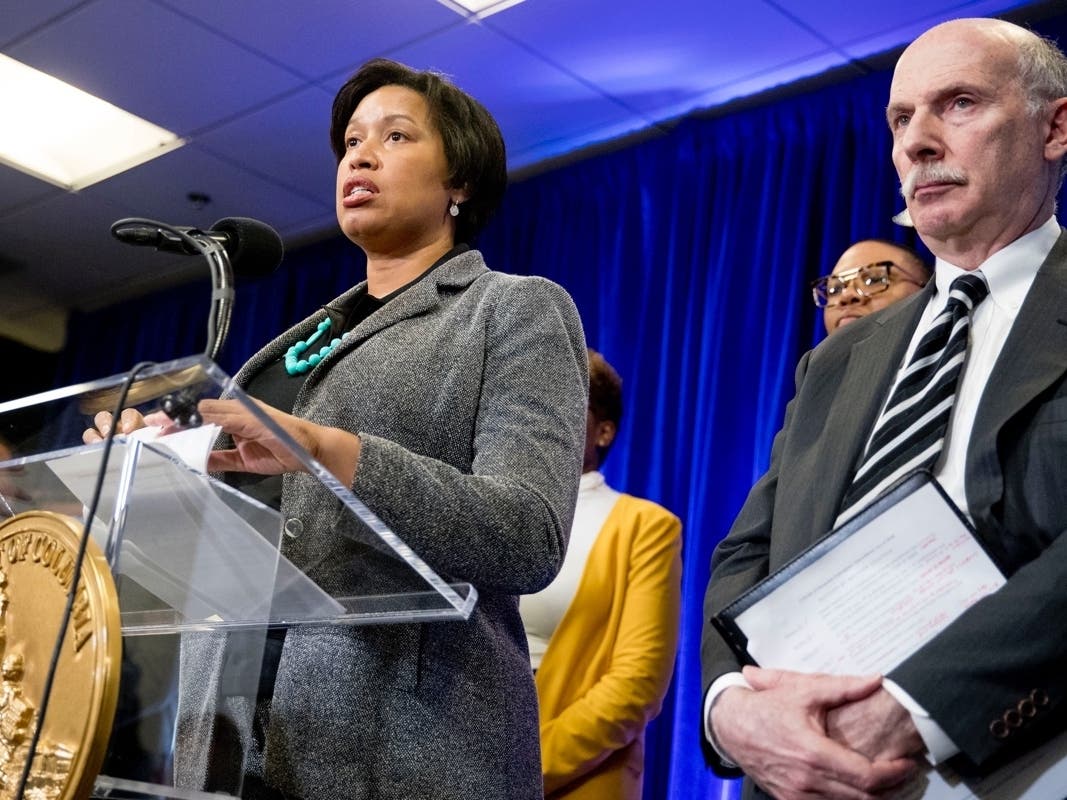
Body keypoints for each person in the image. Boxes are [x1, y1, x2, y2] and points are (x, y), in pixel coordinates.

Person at [85, 59, 587, 800]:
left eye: (395, 136)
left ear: (461, 183)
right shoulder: (284, 351)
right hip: (223, 743)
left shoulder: (509, 310)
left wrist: (334, 452)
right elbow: (231, 551)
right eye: (351, 141)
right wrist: (155, 476)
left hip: (402, 743)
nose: (359, 155)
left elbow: (528, 535)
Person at [701, 17, 1067, 800]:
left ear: (1055, 127)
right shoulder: (834, 361)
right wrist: (729, 708)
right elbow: (745, 556)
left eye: (958, 104)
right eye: (900, 120)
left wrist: (915, 705)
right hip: (809, 772)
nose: (916, 143)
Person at [520, 349, 681, 799]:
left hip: (572, 780)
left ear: (604, 431)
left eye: (566, 399)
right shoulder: (492, 515)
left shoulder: (645, 527)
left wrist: (522, 769)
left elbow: (637, 685)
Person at [813, 239, 930, 334]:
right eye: (835, 290)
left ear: (927, 292)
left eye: (874, 280)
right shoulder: (811, 362)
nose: (846, 296)